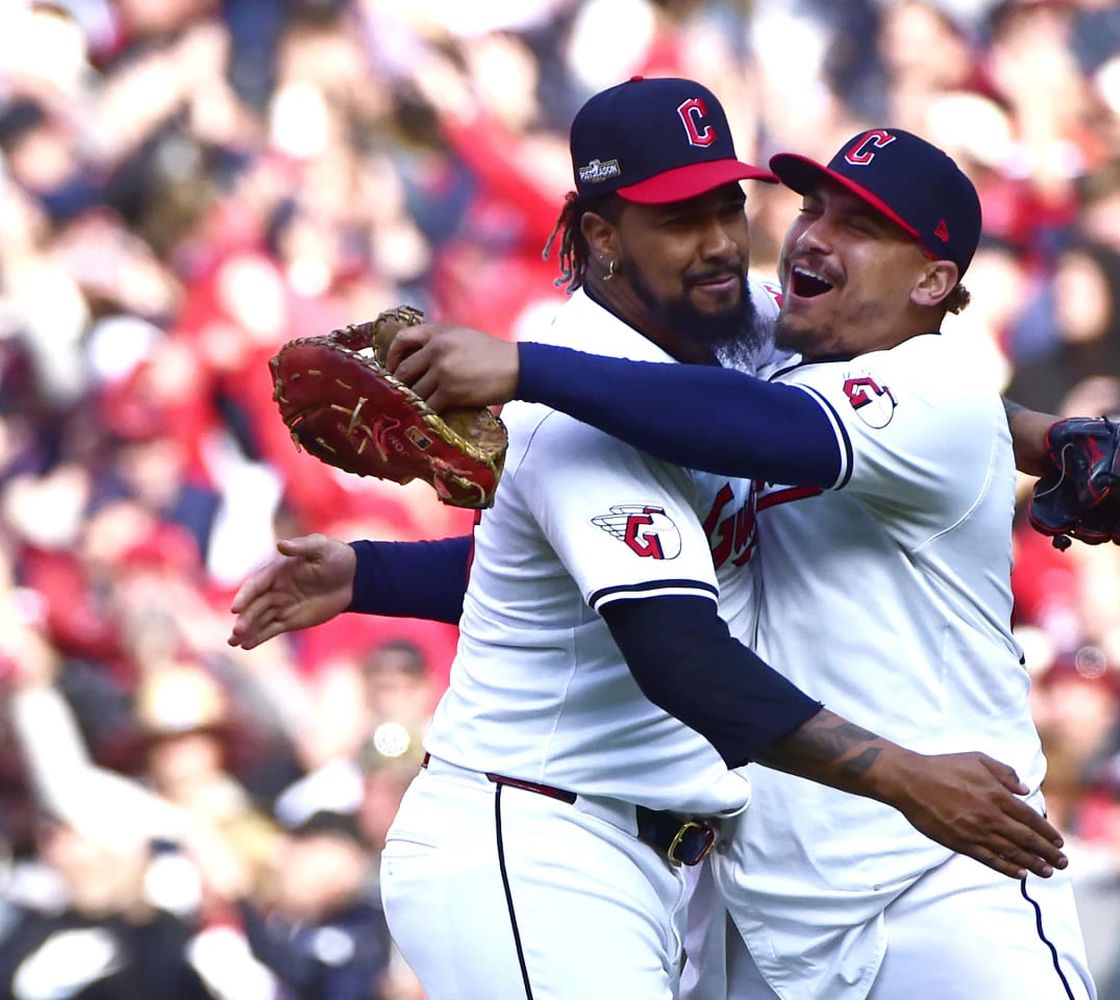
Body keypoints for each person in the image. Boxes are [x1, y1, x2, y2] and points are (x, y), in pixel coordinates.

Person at [231, 81, 1066, 1000]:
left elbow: (866, 401)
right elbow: (680, 656)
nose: (716, 241)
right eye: (676, 218)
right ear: (599, 237)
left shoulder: (735, 325)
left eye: (727, 205)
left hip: (665, 868)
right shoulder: (574, 408)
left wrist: (1049, 438)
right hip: (539, 838)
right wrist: (906, 776)